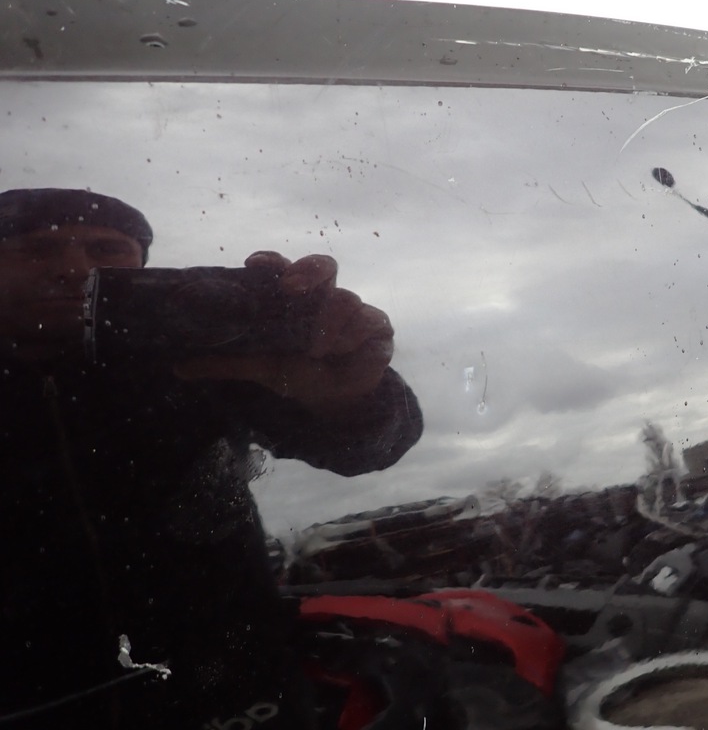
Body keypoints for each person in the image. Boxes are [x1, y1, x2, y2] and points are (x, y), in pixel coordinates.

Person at [0, 188, 423, 728]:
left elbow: (368, 450)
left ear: (141, 268)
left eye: (106, 250)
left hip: (239, 693)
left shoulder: (202, 361)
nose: (75, 269)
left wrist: (349, 396)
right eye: (35, 249)